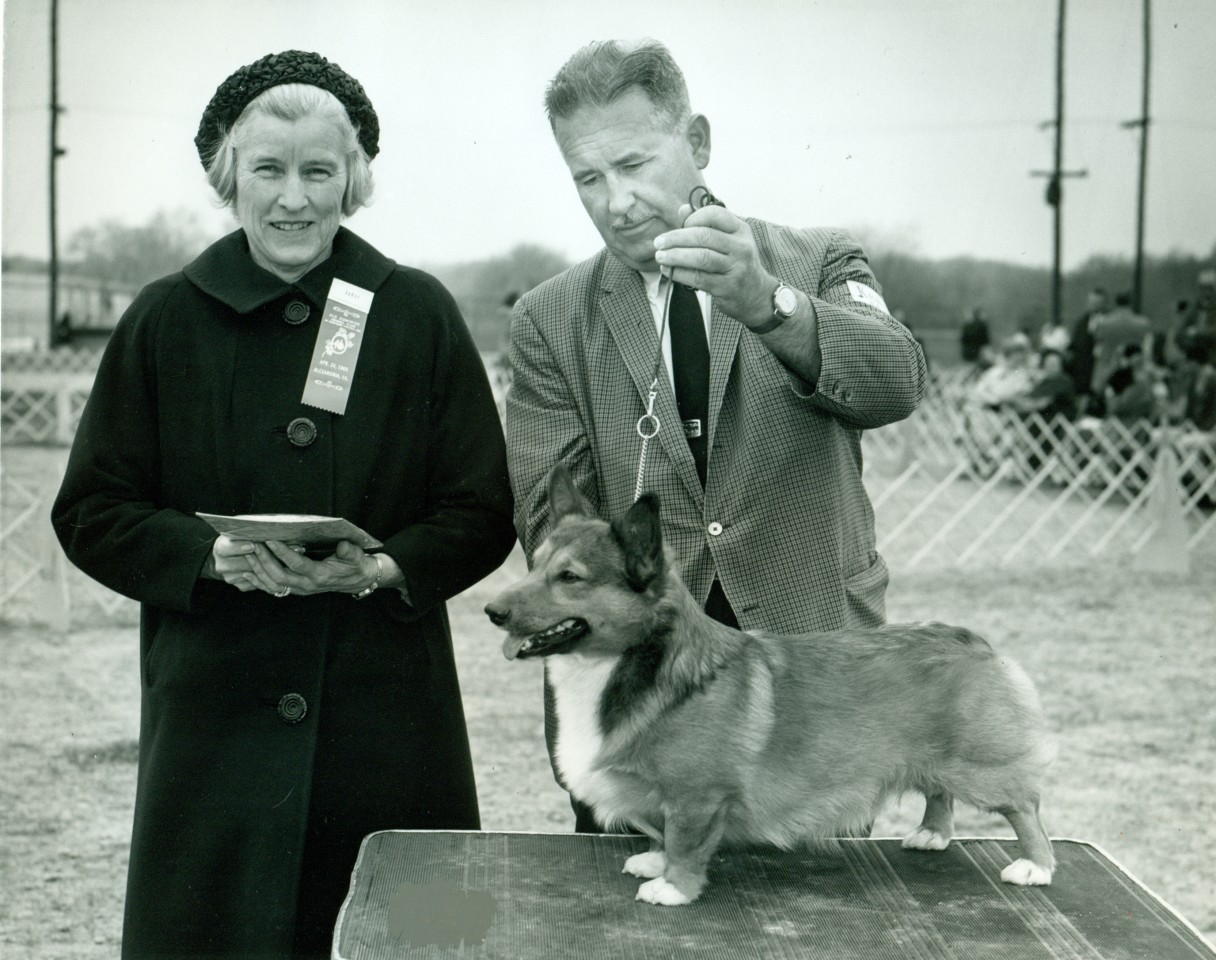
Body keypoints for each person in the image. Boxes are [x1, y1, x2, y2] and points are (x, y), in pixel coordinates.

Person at [51, 51, 516, 959]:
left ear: (354, 179)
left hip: (387, 719)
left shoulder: (415, 313)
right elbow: (92, 509)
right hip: (213, 725)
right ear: (229, 178)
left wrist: (383, 567)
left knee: (401, 940)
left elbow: (481, 509)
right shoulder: (162, 319)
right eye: (268, 169)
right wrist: (204, 555)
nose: (294, 197)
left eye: (318, 170)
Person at [504, 39, 926, 832]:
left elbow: (898, 380)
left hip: (815, 675)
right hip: (638, 694)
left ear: (696, 142)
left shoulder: (822, 260)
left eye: (634, 164)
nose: (616, 201)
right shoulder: (546, 320)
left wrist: (771, 305)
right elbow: (544, 513)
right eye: (587, 179)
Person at [1090, 291, 1151, 411]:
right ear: (1130, 303)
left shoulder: (1104, 323)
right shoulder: (1142, 323)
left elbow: (1098, 344)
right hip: (1134, 367)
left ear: (1116, 303)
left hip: (1109, 367)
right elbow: (1146, 345)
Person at [1067, 286, 1107, 413]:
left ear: (1104, 303)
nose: (1093, 305)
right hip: (1083, 370)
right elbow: (1074, 344)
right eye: (1091, 301)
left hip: (1103, 369)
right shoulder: (1081, 322)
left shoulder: (1110, 321)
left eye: (1097, 302)